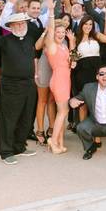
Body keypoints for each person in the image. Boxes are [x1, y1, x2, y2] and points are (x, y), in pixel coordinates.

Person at [0, 12, 40, 165]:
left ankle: (19, 147)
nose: (21, 26)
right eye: (18, 24)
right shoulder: (4, 40)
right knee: (9, 119)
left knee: (26, 118)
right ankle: (6, 152)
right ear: (12, 26)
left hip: (29, 84)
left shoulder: (29, 39)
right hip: (11, 85)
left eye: (23, 23)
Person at [43, 16, 73, 154]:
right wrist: (50, 11)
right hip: (59, 80)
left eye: (62, 32)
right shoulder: (52, 45)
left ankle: (60, 143)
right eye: (58, 32)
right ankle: (53, 141)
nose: (61, 34)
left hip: (66, 79)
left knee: (63, 111)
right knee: (63, 111)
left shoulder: (63, 46)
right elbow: (50, 31)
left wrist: (72, 42)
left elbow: (72, 59)